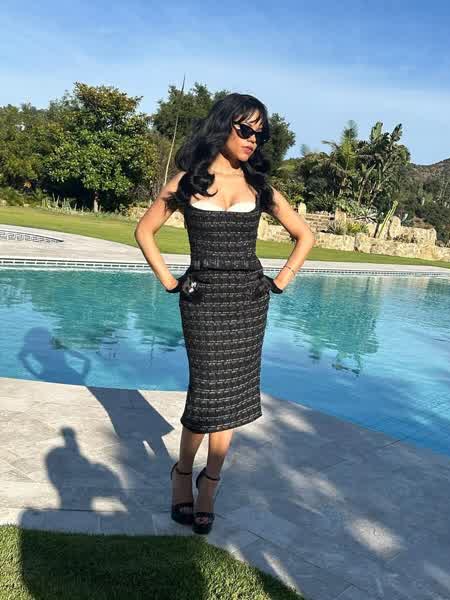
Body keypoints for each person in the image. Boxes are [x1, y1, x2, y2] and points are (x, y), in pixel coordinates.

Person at [134, 93, 315, 534]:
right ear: (223, 126)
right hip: (203, 302)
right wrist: (170, 280)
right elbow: (144, 230)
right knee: (206, 393)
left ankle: (210, 484)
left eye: (260, 134)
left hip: (248, 304)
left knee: (233, 397)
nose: (253, 139)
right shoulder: (188, 181)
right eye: (246, 129)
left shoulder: (260, 187)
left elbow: (305, 236)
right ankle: (183, 473)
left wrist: (280, 281)